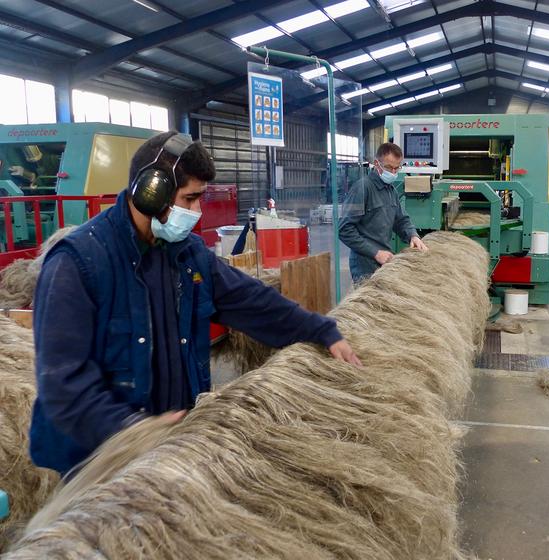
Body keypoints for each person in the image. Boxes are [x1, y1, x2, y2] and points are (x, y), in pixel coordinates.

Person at [30, 131, 361, 476]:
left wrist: (321, 330)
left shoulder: (186, 255)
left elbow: (252, 300)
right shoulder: (77, 264)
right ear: (150, 192)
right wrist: (135, 433)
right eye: (189, 199)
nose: (196, 212)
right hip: (98, 464)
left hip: (168, 451)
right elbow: (63, 385)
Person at [338, 142, 427, 283]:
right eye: (389, 167)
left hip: (384, 260)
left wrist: (413, 236)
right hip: (365, 264)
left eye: (397, 168)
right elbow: (344, 230)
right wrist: (375, 253)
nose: (393, 173)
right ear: (376, 164)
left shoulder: (390, 190)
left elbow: (401, 220)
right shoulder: (362, 189)